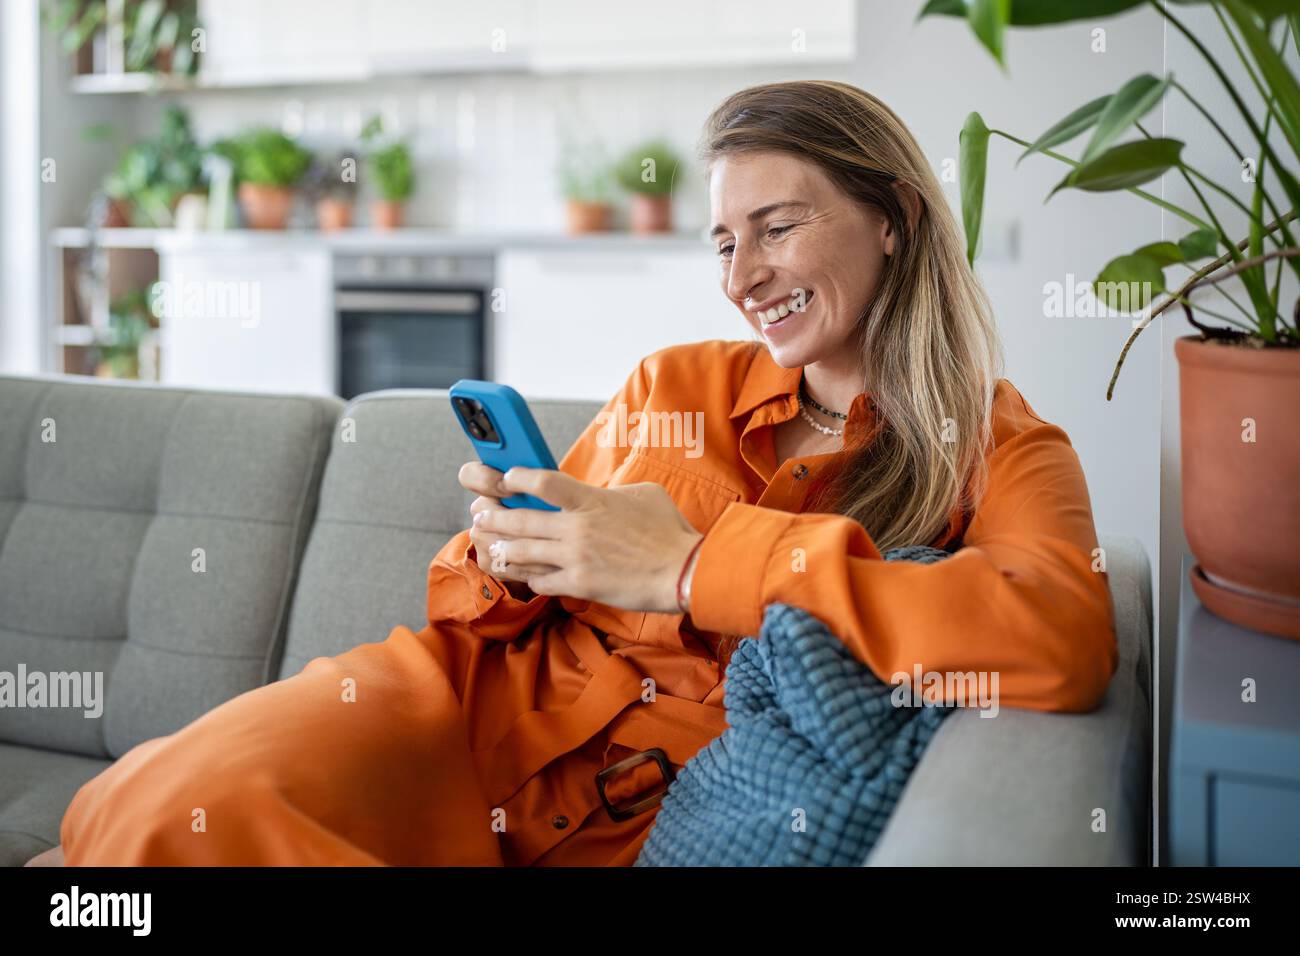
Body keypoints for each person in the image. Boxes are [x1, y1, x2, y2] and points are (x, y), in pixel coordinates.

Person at [29, 80, 1117, 867]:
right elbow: (473, 591)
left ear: (894, 217)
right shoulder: (672, 381)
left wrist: (693, 568)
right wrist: (510, 550)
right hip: (447, 712)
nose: (742, 275)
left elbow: (1059, 637)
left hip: (633, 815)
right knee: (165, 811)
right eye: (722, 241)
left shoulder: (1000, 447)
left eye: (776, 226)